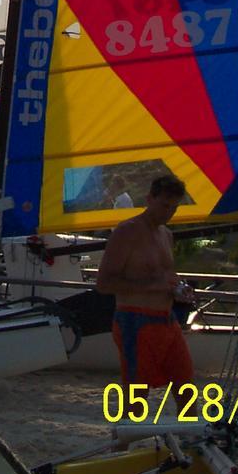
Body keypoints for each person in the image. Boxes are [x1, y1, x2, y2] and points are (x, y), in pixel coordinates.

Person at [96, 173, 194, 414]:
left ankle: (192, 446)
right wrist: (154, 284)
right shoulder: (127, 231)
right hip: (134, 320)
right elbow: (104, 283)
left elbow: (165, 278)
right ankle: (121, 448)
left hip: (167, 320)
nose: (168, 212)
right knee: (136, 396)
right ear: (149, 199)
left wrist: (178, 290)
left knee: (186, 389)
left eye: (174, 207)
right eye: (164, 205)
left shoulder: (166, 235)